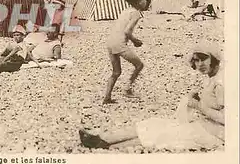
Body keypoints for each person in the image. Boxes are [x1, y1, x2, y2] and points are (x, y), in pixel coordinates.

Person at [79, 42, 224, 151]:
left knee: (163, 134)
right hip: (202, 125)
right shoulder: (210, 78)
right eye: (196, 60)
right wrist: (197, 99)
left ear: (214, 58)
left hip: (212, 134)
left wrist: (199, 106)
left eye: (204, 59)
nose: (200, 64)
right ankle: (104, 139)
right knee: (154, 124)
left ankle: (106, 144)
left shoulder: (220, 84)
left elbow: (228, 120)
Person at [104, 0, 149, 104]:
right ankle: (128, 89)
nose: (146, 1)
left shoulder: (125, 11)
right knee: (139, 65)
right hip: (120, 43)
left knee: (116, 72)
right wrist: (135, 41)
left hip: (110, 42)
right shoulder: (136, 13)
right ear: (139, 1)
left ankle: (107, 97)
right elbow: (127, 31)